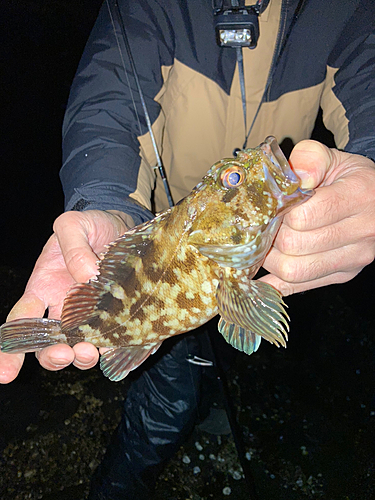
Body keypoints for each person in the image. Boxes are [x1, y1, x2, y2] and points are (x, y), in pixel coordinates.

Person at [1, 0, 375, 498]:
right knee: (169, 397)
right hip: (151, 220)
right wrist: (107, 204)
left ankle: (199, 401)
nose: (255, 166)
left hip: (224, 271)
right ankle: (120, 481)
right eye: (235, 177)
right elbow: (106, 106)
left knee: (212, 356)